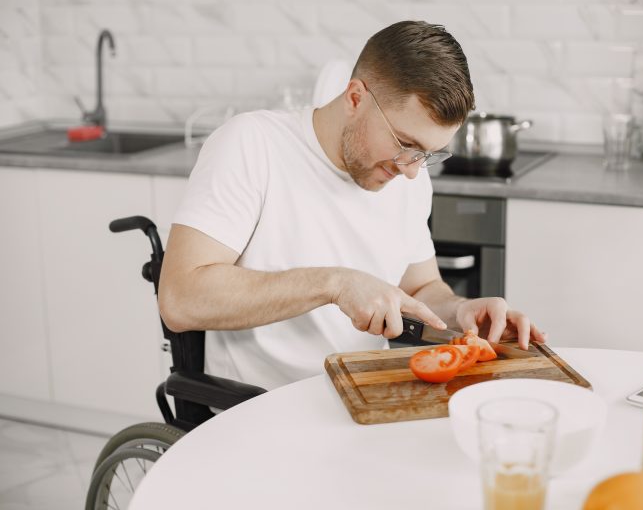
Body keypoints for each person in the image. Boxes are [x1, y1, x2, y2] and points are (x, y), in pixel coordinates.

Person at [158, 20, 547, 390]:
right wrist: (335, 284)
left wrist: (461, 312)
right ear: (355, 98)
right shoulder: (252, 144)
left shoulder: (409, 174)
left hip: (365, 397)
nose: (411, 170)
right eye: (405, 144)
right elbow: (179, 299)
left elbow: (422, 286)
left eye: (427, 154)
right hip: (259, 408)